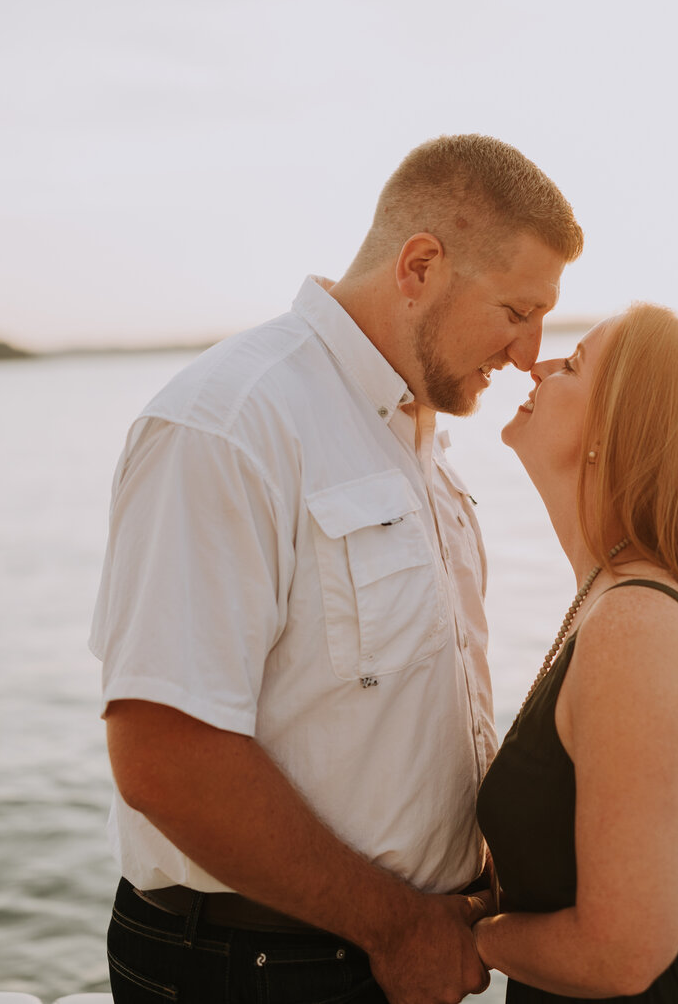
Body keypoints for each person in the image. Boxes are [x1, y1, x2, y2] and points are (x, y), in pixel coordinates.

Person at [89, 134, 582, 1004]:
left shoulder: (413, 439)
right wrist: (397, 928)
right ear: (421, 266)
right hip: (259, 973)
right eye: (514, 311)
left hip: (399, 954)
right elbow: (165, 754)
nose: (524, 352)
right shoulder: (231, 423)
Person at [471, 303, 678, 1002]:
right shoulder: (620, 598)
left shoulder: (635, 623)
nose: (539, 365)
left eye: (576, 364)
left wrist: (472, 937)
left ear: (617, 432)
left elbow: (619, 954)